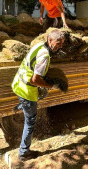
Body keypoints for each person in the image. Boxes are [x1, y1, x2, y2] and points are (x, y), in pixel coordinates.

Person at [11, 29, 66, 161]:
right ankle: (23, 153)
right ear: (50, 40)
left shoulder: (38, 45)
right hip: (27, 91)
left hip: (18, 83)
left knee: (40, 95)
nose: (60, 46)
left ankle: (21, 106)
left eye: (62, 43)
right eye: (58, 43)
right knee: (30, 122)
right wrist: (51, 86)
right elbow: (35, 80)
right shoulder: (45, 56)